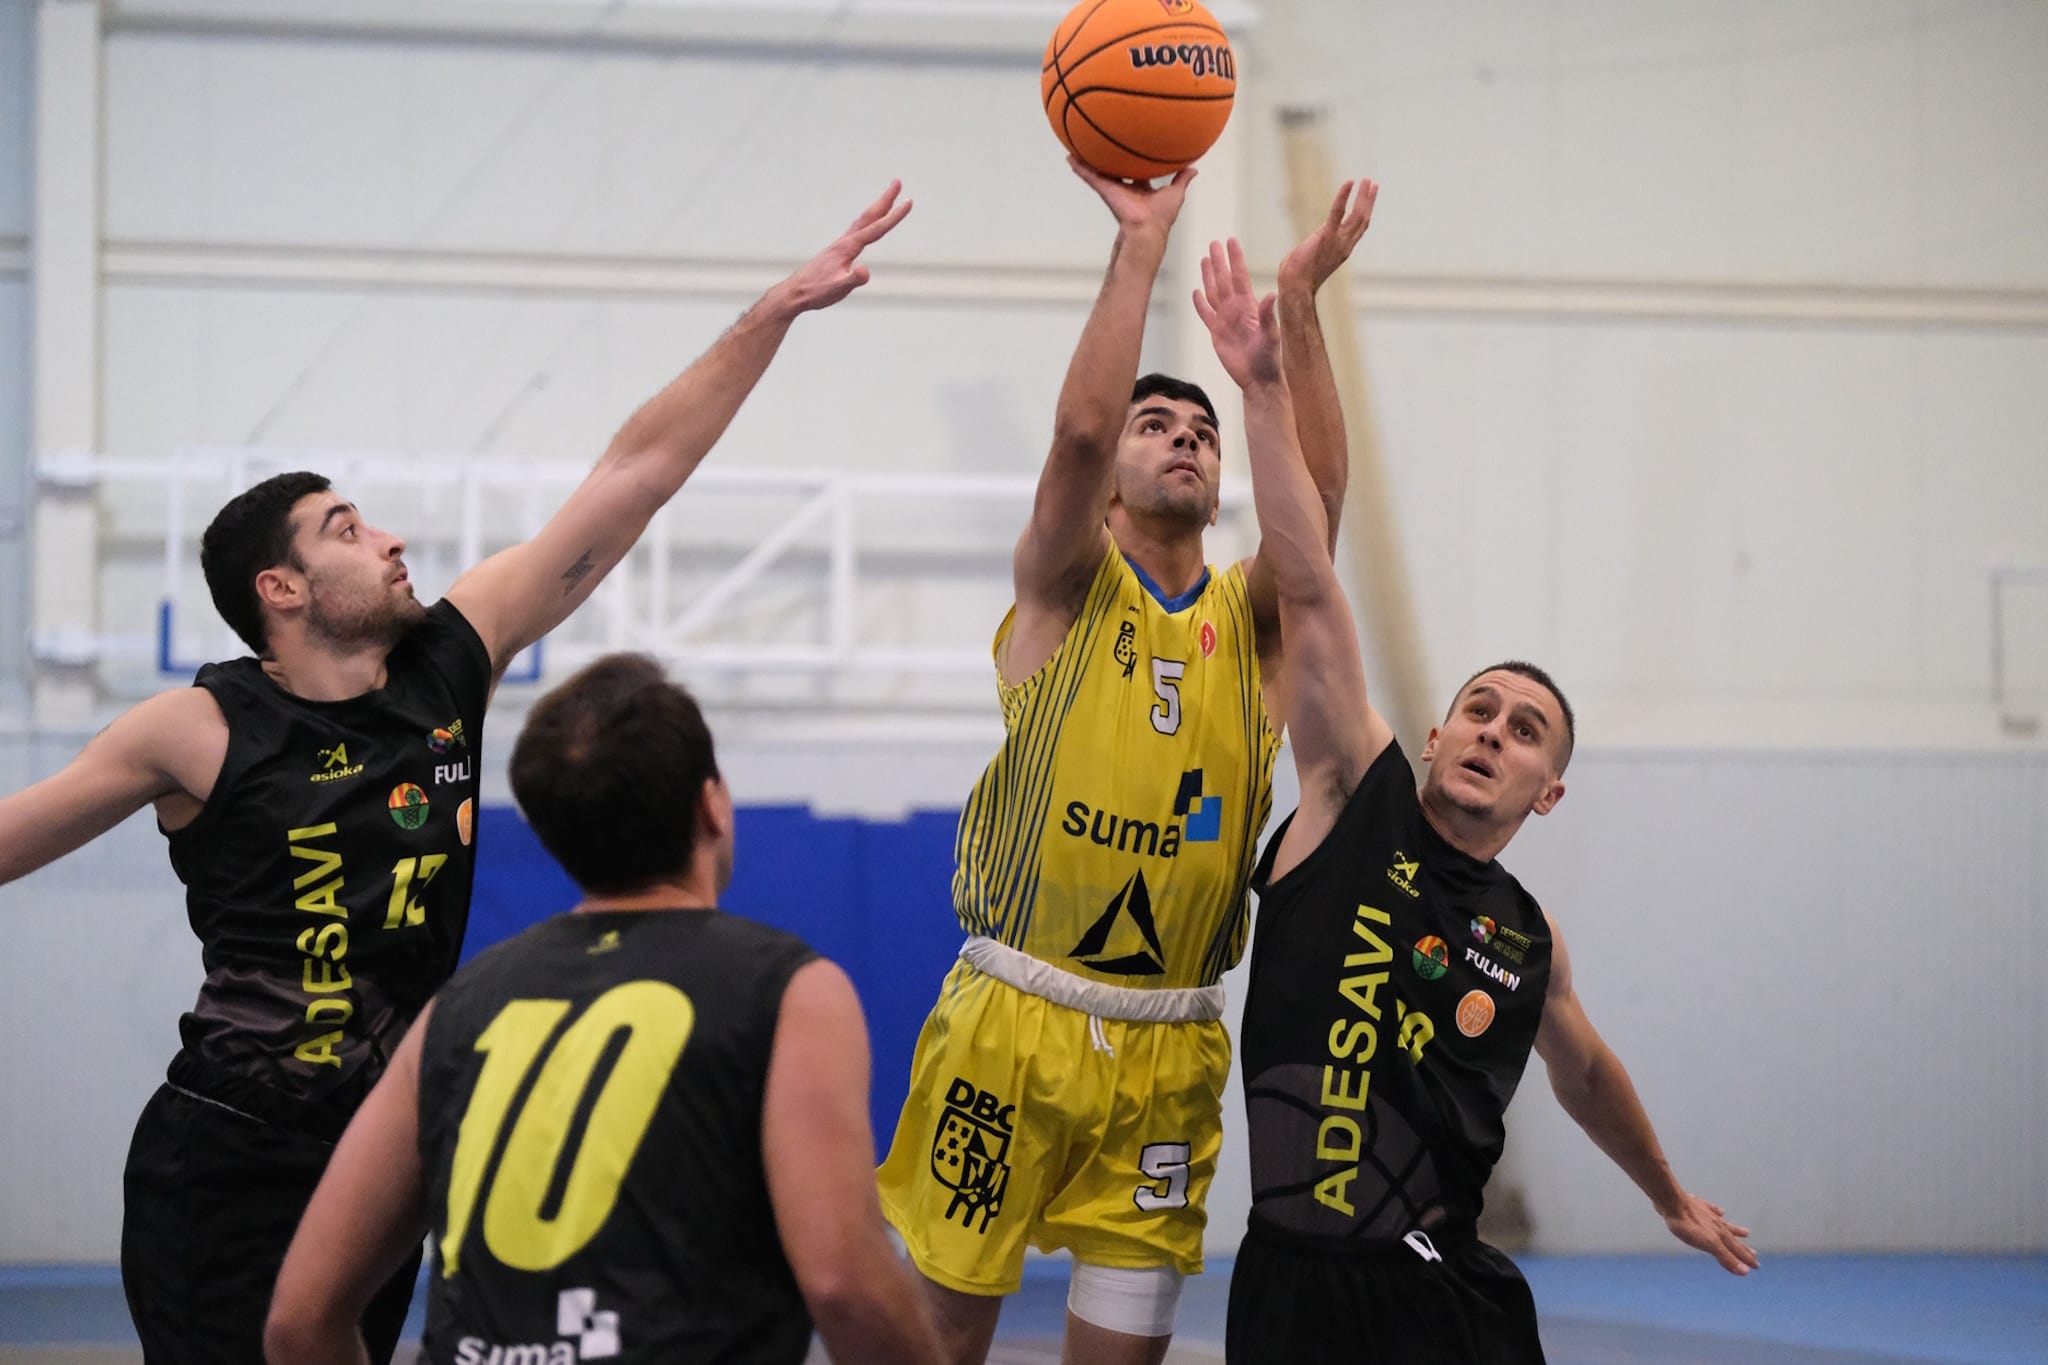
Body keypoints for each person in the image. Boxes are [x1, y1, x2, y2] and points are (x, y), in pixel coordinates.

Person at [0, 184, 911, 1365]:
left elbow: (636, 471)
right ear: (281, 591)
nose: (386, 538)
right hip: (230, 1154)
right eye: (344, 529)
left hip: (382, 1153)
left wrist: (773, 311)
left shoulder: (450, 657)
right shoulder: (197, 728)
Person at [1179, 235, 1759, 1364]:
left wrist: (1667, 1196)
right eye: (1479, 710)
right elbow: (1307, 581)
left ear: (1548, 793)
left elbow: (1584, 1072)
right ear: (1435, 737)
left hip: (1439, 1286)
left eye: (1525, 730)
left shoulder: (1526, 938)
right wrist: (1261, 382)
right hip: (1291, 1282)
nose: (1494, 730)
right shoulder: (1351, 797)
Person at [875, 161, 1377, 1365]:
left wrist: (1293, 321)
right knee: (940, 1334)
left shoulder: (1250, 625)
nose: (1184, 440)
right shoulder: (1064, 586)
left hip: (1170, 1045)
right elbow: (1075, 431)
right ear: (1108, 485)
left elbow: (1317, 500)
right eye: (1158, 427)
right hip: (1012, 1019)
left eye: (1202, 434)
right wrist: (1141, 241)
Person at [262, 653, 942, 1365]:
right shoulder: (791, 991)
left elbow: (299, 1319)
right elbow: (846, 1287)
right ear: (712, 804)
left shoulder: (457, 1010)